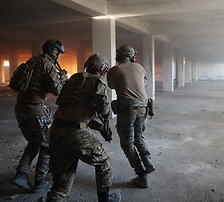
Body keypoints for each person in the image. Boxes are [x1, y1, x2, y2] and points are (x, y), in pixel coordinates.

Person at [45, 54, 121, 202]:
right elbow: (104, 110)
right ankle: (105, 199)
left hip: (56, 130)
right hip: (75, 133)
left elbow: (76, 113)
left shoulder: (74, 78)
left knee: (63, 179)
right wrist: (104, 122)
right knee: (104, 162)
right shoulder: (98, 81)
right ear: (103, 71)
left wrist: (99, 128)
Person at [11, 39, 68, 193]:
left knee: (34, 142)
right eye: (59, 53)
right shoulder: (47, 65)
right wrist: (62, 78)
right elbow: (57, 91)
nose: (60, 57)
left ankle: (21, 174)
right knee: (47, 145)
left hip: (20, 109)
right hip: (35, 110)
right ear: (54, 51)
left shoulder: (31, 62)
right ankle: (39, 182)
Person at [107, 45, 155, 188]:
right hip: (143, 109)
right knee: (138, 137)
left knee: (127, 143)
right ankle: (148, 162)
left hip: (127, 111)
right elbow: (144, 84)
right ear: (132, 56)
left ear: (119, 56)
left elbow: (112, 86)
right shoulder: (140, 67)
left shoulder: (114, 70)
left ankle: (141, 175)